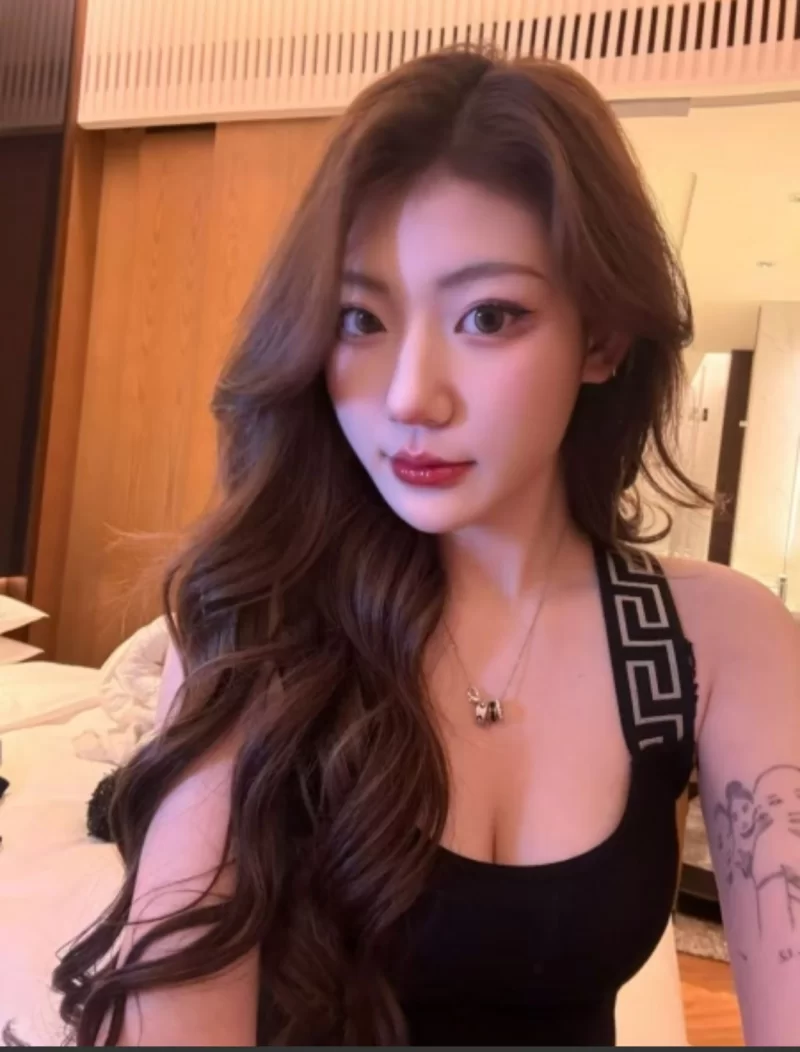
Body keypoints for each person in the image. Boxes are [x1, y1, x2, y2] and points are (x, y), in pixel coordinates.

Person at [51, 46, 800, 1046]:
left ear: (601, 338)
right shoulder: (258, 617)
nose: (410, 395)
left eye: (488, 316)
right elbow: (177, 999)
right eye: (359, 318)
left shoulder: (711, 640)